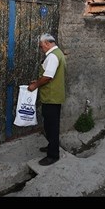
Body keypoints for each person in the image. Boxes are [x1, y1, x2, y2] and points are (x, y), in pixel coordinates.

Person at [28, 33, 66, 166]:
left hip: (51, 97)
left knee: (52, 126)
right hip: (54, 95)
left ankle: (53, 155)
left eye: (41, 46)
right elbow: (48, 75)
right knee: (50, 124)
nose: (41, 48)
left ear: (47, 43)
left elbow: (48, 77)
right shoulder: (58, 53)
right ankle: (51, 146)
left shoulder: (52, 56)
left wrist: (35, 85)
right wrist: (38, 81)